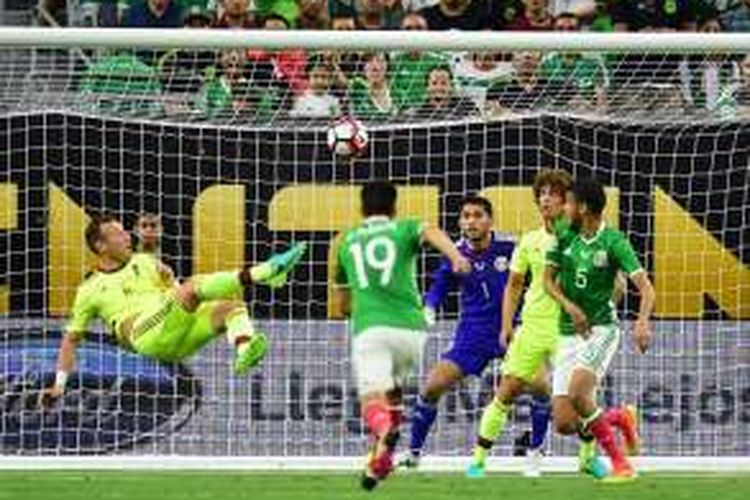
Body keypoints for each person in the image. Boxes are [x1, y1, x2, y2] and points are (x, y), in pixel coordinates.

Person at [41, 214, 307, 406]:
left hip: (176, 334)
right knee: (192, 288)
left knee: (231, 307)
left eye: (125, 231)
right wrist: (59, 385)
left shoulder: (146, 262)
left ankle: (244, 349)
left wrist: (175, 285)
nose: (126, 237)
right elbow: (70, 340)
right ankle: (266, 271)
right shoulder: (89, 289)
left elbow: (178, 293)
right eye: (118, 233)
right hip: (146, 336)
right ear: (101, 246)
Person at [464, 169, 607, 479]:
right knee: (507, 390)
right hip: (532, 327)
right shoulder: (530, 241)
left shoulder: (585, 237)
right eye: (541, 193)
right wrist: (505, 327)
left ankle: (587, 457)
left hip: (570, 330)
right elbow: (514, 286)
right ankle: (477, 460)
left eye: (552, 193)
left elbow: (613, 280)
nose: (545, 199)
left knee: (579, 400)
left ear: (567, 200)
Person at [332, 181, 470, 490]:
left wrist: (362, 304)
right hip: (411, 330)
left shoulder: (347, 242)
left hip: (372, 328)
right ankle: (380, 462)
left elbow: (342, 306)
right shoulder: (404, 229)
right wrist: (456, 257)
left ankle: (383, 434)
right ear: (394, 208)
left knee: (371, 399)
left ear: (361, 208)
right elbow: (431, 230)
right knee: (393, 393)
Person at [402, 196, 551, 476]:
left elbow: (539, 276)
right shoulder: (456, 255)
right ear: (460, 222)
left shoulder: (511, 247)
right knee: (432, 386)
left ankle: (537, 449)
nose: (471, 221)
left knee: (542, 385)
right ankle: (413, 453)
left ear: (490, 220)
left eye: (477, 215)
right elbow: (437, 289)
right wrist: (430, 309)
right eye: (466, 216)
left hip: (515, 328)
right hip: (473, 335)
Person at [543, 177, 655, 481]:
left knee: (580, 393)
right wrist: (569, 306)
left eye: (567, 202)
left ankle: (621, 464)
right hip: (568, 332)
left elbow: (646, 289)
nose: (562, 207)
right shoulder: (564, 234)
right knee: (564, 423)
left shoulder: (614, 242)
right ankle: (620, 418)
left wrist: (642, 323)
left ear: (583, 207)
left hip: (601, 330)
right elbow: (547, 281)